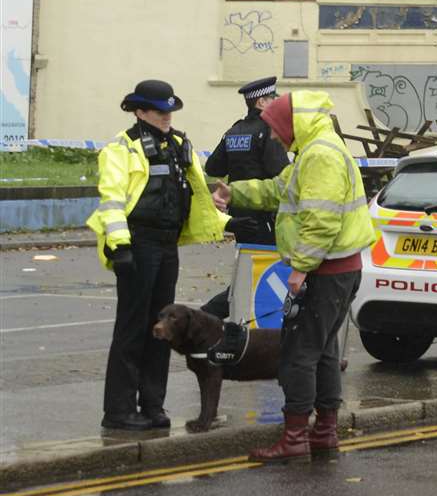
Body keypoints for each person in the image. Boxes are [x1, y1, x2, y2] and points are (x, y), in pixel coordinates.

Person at [214, 90, 376, 461]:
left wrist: (301, 268)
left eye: (275, 128)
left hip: (326, 270)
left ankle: (295, 437)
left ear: (291, 123)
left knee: (298, 355)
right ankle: (324, 432)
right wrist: (233, 192)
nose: (272, 136)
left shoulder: (320, 155)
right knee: (321, 354)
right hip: (339, 268)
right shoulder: (317, 149)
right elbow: (278, 189)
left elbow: (321, 219)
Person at [87, 80, 225, 432]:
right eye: (159, 111)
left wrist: (223, 213)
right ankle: (119, 411)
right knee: (132, 330)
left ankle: (152, 406)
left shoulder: (179, 144)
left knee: (164, 331)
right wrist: (120, 247)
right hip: (137, 244)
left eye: (170, 110)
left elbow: (195, 193)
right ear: (139, 111)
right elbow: (112, 201)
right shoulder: (122, 148)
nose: (167, 117)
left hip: (167, 245)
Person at [201, 77, 290, 320]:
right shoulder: (268, 132)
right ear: (261, 102)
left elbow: (213, 166)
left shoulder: (235, 131)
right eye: (273, 98)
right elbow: (281, 174)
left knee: (250, 272)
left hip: (239, 216)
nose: (277, 103)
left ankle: (240, 321)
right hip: (266, 215)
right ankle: (212, 315)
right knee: (263, 273)